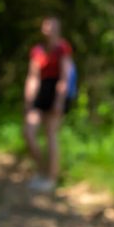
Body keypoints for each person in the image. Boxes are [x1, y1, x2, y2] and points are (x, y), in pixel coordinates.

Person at [23, 16, 72, 191]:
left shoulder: (62, 48)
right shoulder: (38, 50)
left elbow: (65, 78)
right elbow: (33, 77)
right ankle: (42, 170)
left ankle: (51, 178)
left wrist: (59, 101)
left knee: (51, 134)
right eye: (45, 25)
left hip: (56, 92)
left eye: (50, 25)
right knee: (29, 132)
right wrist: (28, 100)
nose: (47, 28)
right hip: (41, 93)